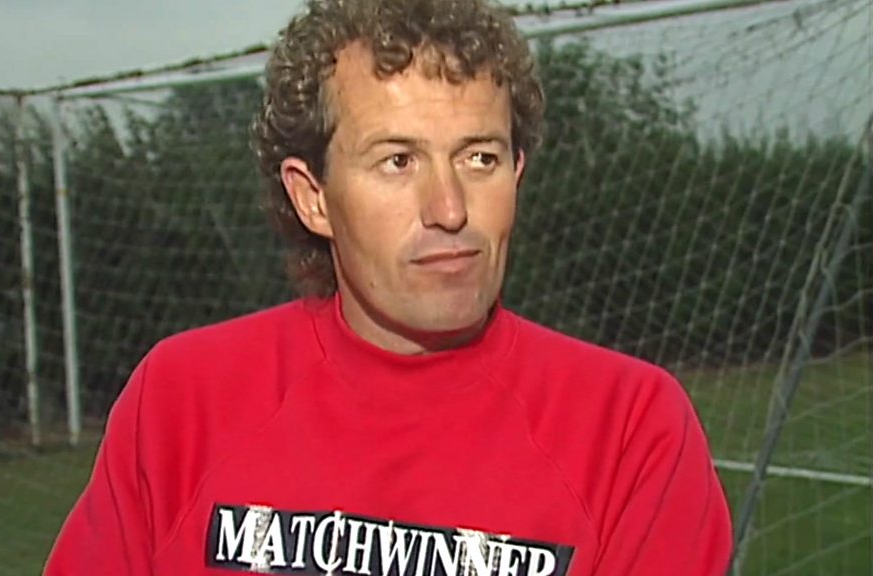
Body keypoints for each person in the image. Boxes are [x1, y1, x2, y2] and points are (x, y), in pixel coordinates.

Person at [44, 0, 732, 574]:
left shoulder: (632, 430)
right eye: (398, 161)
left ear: (516, 174)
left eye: (480, 157)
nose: (450, 208)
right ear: (313, 197)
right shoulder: (181, 402)